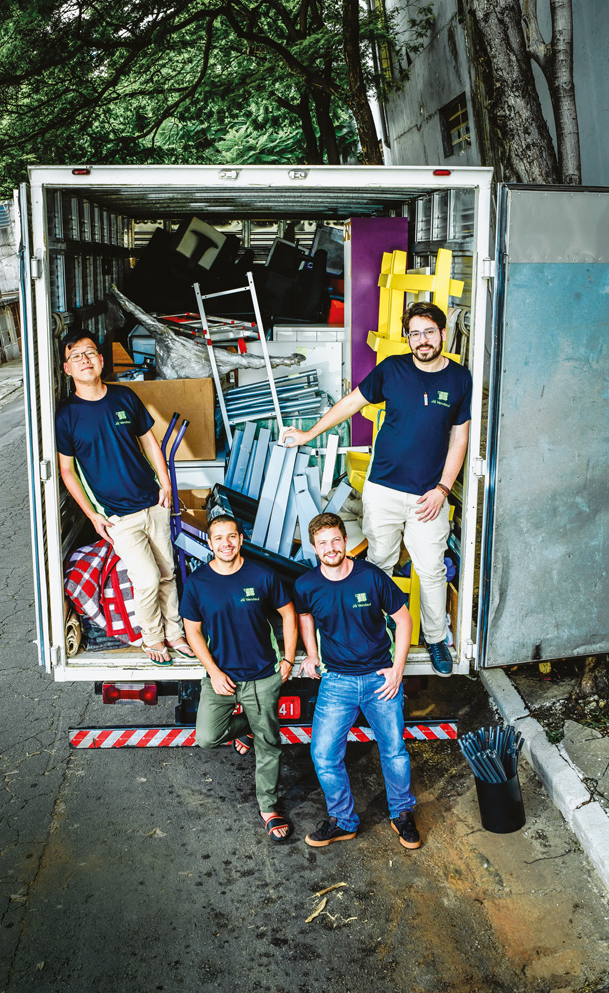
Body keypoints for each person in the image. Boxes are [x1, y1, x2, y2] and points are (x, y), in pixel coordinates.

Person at [284, 301, 471, 677]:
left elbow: (459, 438)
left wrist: (443, 488)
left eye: (429, 332)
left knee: (432, 569)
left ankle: (435, 639)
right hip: (383, 489)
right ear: (407, 337)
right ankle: (377, 633)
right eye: (415, 333)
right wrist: (308, 433)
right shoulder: (392, 370)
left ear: (442, 334)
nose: (422, 340)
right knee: (378, 566)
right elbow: (351, 404)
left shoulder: (459, 379)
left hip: (427, 496)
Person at [55, 329, 192, 664]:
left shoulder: (124, 397)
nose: (85, 360)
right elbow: (67, 471)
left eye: (90, 353)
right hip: (117, 515)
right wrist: (92, 515)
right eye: (76, 356)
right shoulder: (66, 416)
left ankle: (174, 633)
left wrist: (166, 485)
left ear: (101, 360)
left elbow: (149, 442)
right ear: (67, 369)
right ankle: (152, 638)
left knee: (167, 572)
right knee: (145, 578)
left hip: (152, 502)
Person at [294, 513, 420, 849]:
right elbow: (305, 617)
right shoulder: (307, 584)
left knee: (394, 751)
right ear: (314, 547)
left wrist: (397, 669)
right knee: (323, 754)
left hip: (380, 678)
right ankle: (344, 821)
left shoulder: (370, 577)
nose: (330, 547)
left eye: (336, 540)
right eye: (323, 543)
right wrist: (311, 653)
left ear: (345, 541)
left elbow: (403, 621)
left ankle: (402, 814)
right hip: (337, 681)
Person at [180, 515, 297, 842]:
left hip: (262, 676)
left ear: (241, 539)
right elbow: (192, 630)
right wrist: (214, 672)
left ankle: (268, 807)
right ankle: (246, 727)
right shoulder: (199, 582)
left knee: (269, 743)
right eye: (218, 538)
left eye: (231, 537)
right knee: (206, 736)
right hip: (221, 677)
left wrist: (287, 656)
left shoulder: (261, 576)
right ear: (209, 542)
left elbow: (288, 613)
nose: (225, 543)